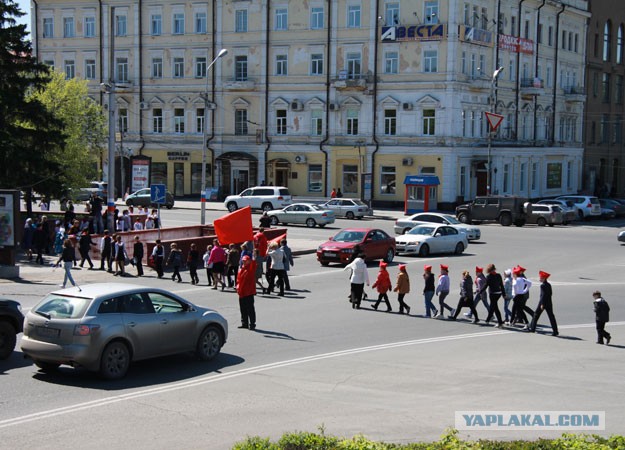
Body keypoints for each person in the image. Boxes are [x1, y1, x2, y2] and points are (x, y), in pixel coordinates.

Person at [529, 271, 558, 336]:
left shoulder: (542, 286)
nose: (540, 278)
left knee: (536, 315)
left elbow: (543, 295)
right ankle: (555, 331)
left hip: (543, 303)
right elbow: (550, 294)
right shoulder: (549, 285)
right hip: (549, 303)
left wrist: (542, 304)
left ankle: (532, 329)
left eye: (541, 277)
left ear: (544, 278)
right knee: (551, 316)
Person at [236, 255, 257, 330]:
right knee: (243, 308)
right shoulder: (241, 269)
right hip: (241, 292)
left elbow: (254, 265)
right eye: (243, 260)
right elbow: (238, 280)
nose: (244, 262)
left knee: (250, 309)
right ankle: (244, 323)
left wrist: (254, 259)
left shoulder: (250, 269)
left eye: (246, 260)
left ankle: (252, 324)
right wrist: (237, 288)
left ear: (249, 261)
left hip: (248, 292)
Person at [482, 263, 505, 328]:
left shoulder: (488, 276)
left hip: (493, 294)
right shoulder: (499, 275)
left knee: (495, 308)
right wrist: (504, 294)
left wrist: (480, 291)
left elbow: (486, 286)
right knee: (493, 307)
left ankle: (500, 323)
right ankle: (487, 320)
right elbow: (501, 286)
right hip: (499, 293)